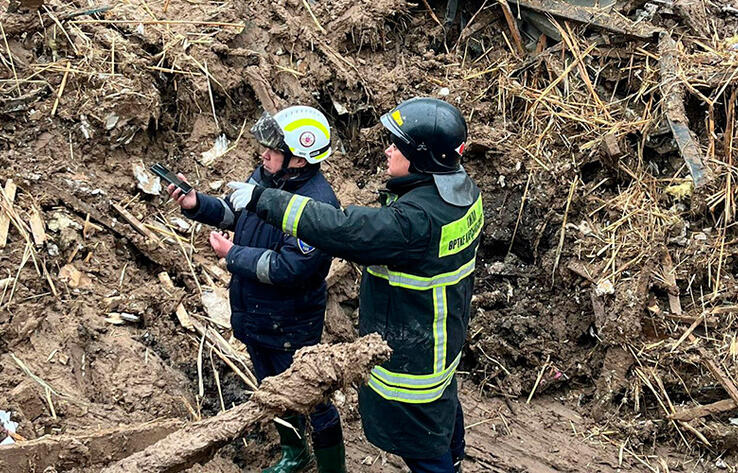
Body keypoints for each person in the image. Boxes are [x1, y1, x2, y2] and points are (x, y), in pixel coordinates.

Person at [225, 97, 482, 473]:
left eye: (398, 144)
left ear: (422, 157)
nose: (388, 148)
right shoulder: (461, 193)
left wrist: (266, 200)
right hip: (442, 335)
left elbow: (348, 231)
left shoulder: (416, 221)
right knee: (442, 414)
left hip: (415, 352)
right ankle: (454, 458)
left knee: (422, 447)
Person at [167, 106, 345, 473]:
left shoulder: (317, 205)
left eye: (273, 150)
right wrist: (196, 204)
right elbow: (237, 211)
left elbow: (291, 267)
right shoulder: (266, 176)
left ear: (299, 157)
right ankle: (294, 456)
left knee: (313, 400)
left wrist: (234, 255)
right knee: (274, 392)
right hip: (257, 317)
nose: (263, 155)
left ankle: (332, 468)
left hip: (289, 325)